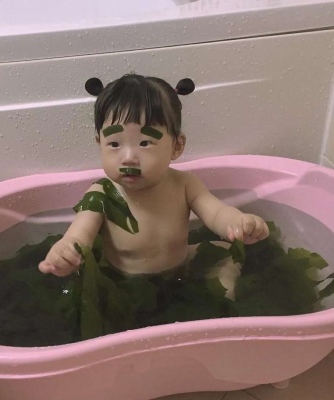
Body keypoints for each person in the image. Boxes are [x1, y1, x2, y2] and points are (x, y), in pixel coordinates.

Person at [39, 74, 269, 278]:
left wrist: (237, 223)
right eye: (115, 144)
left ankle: (222, 303)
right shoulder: (101, 194)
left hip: (181, 269)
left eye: (145, 143)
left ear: (176, 146)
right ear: (100, 144)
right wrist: (65, 252)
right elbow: (79, 237)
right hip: (125, 283)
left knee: (227, 252)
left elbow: (217, 213)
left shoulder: (184, 185)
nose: (128, 158)